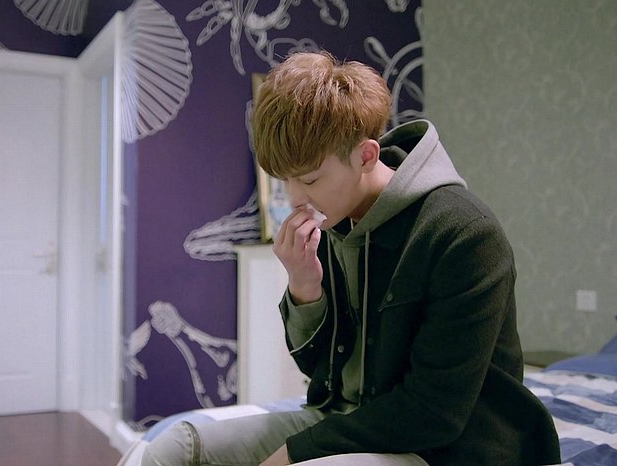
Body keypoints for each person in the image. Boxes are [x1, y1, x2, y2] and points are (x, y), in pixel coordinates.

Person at [141, 51, 560, 466]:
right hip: (350, 422)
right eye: (285, 182)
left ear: (366, 156)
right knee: (174, 447)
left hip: (445, 448)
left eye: (309, 179)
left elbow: (433, 412)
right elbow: (320, 373)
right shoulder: (334, 221)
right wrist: (304, 288)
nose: (295, 199)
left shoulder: (464, 234)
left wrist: (296, 452)